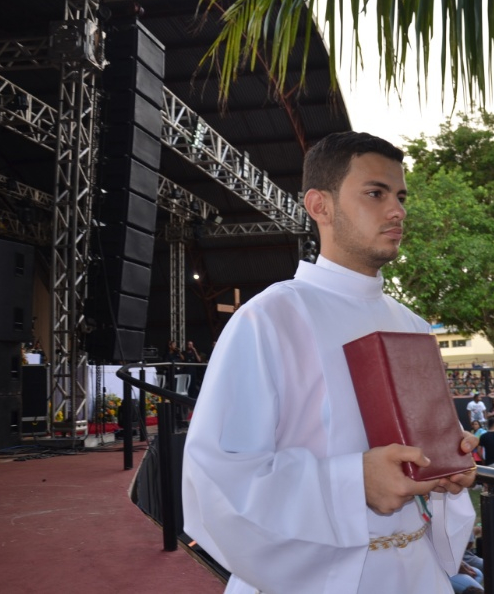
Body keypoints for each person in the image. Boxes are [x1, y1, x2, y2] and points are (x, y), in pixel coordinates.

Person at [182, 132, 477, 594]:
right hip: (314, 579)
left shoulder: (414, 326)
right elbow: (218, 477)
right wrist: (352, 481)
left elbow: (417, 452)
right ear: (320, 206)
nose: (397, 211)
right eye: (375, 194)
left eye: (400, 197)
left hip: (418, 572)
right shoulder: (268, 319)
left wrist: (445, 464)